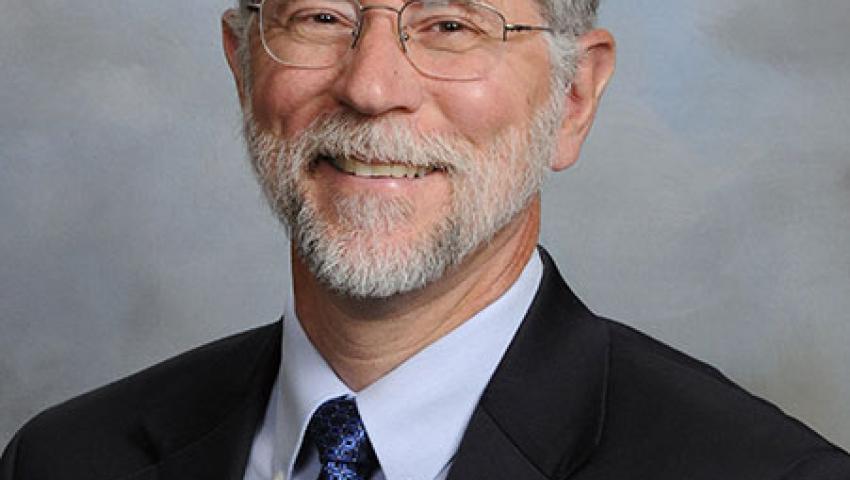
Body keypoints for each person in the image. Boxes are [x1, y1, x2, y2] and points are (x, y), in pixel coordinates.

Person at [2, 0, 849, 478]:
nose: (372, 87)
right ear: (242, 62)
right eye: (322, 15)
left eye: (450, 24)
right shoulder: (62, 461)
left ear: (575, 97)